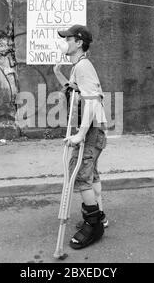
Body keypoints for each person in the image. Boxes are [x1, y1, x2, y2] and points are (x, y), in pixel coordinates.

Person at [53, 24, 108, 250]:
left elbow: (92, 100)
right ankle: (100, 217)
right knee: (91, 175)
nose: (64, 42)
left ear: (78, 42)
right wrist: (58, 73)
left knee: (81, 176)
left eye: (67, 39)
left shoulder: (83, 66)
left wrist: (81, 134)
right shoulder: (79, 66)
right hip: (95, 129)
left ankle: (93, 225)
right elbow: (75, 90)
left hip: (91, 130)